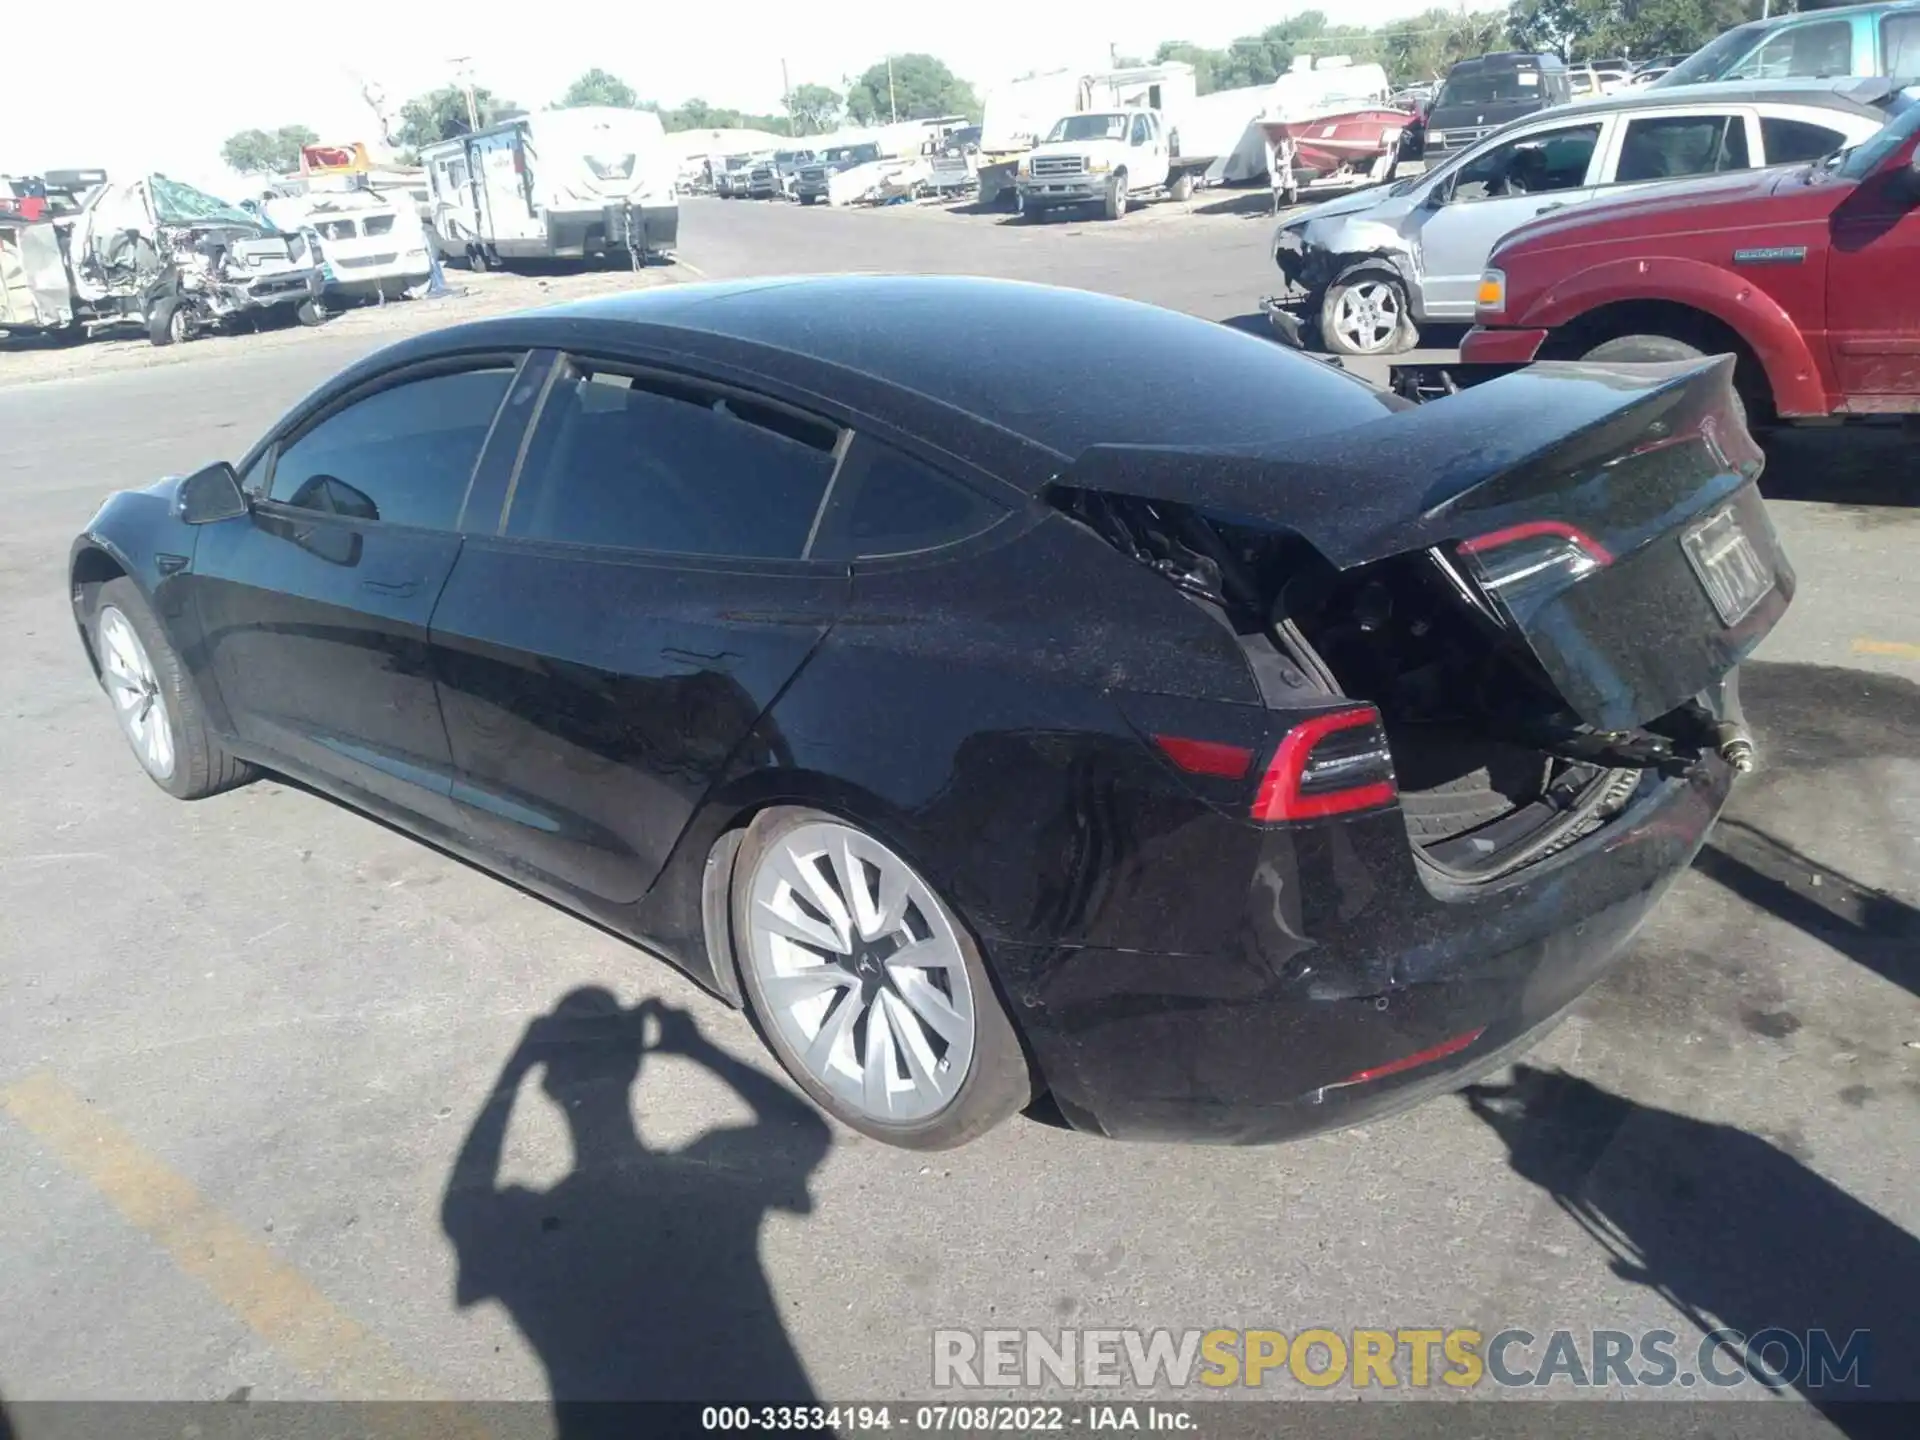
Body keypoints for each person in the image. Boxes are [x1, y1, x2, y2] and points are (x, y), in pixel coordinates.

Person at [441, 991, 830, 1426]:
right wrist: (699, 1049)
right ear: (634, 1067)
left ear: (548, 1087)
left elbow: (463, 1205)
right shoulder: (707, 1181)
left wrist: (515, 1067)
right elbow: (808, 1135)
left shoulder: (534, 1224)